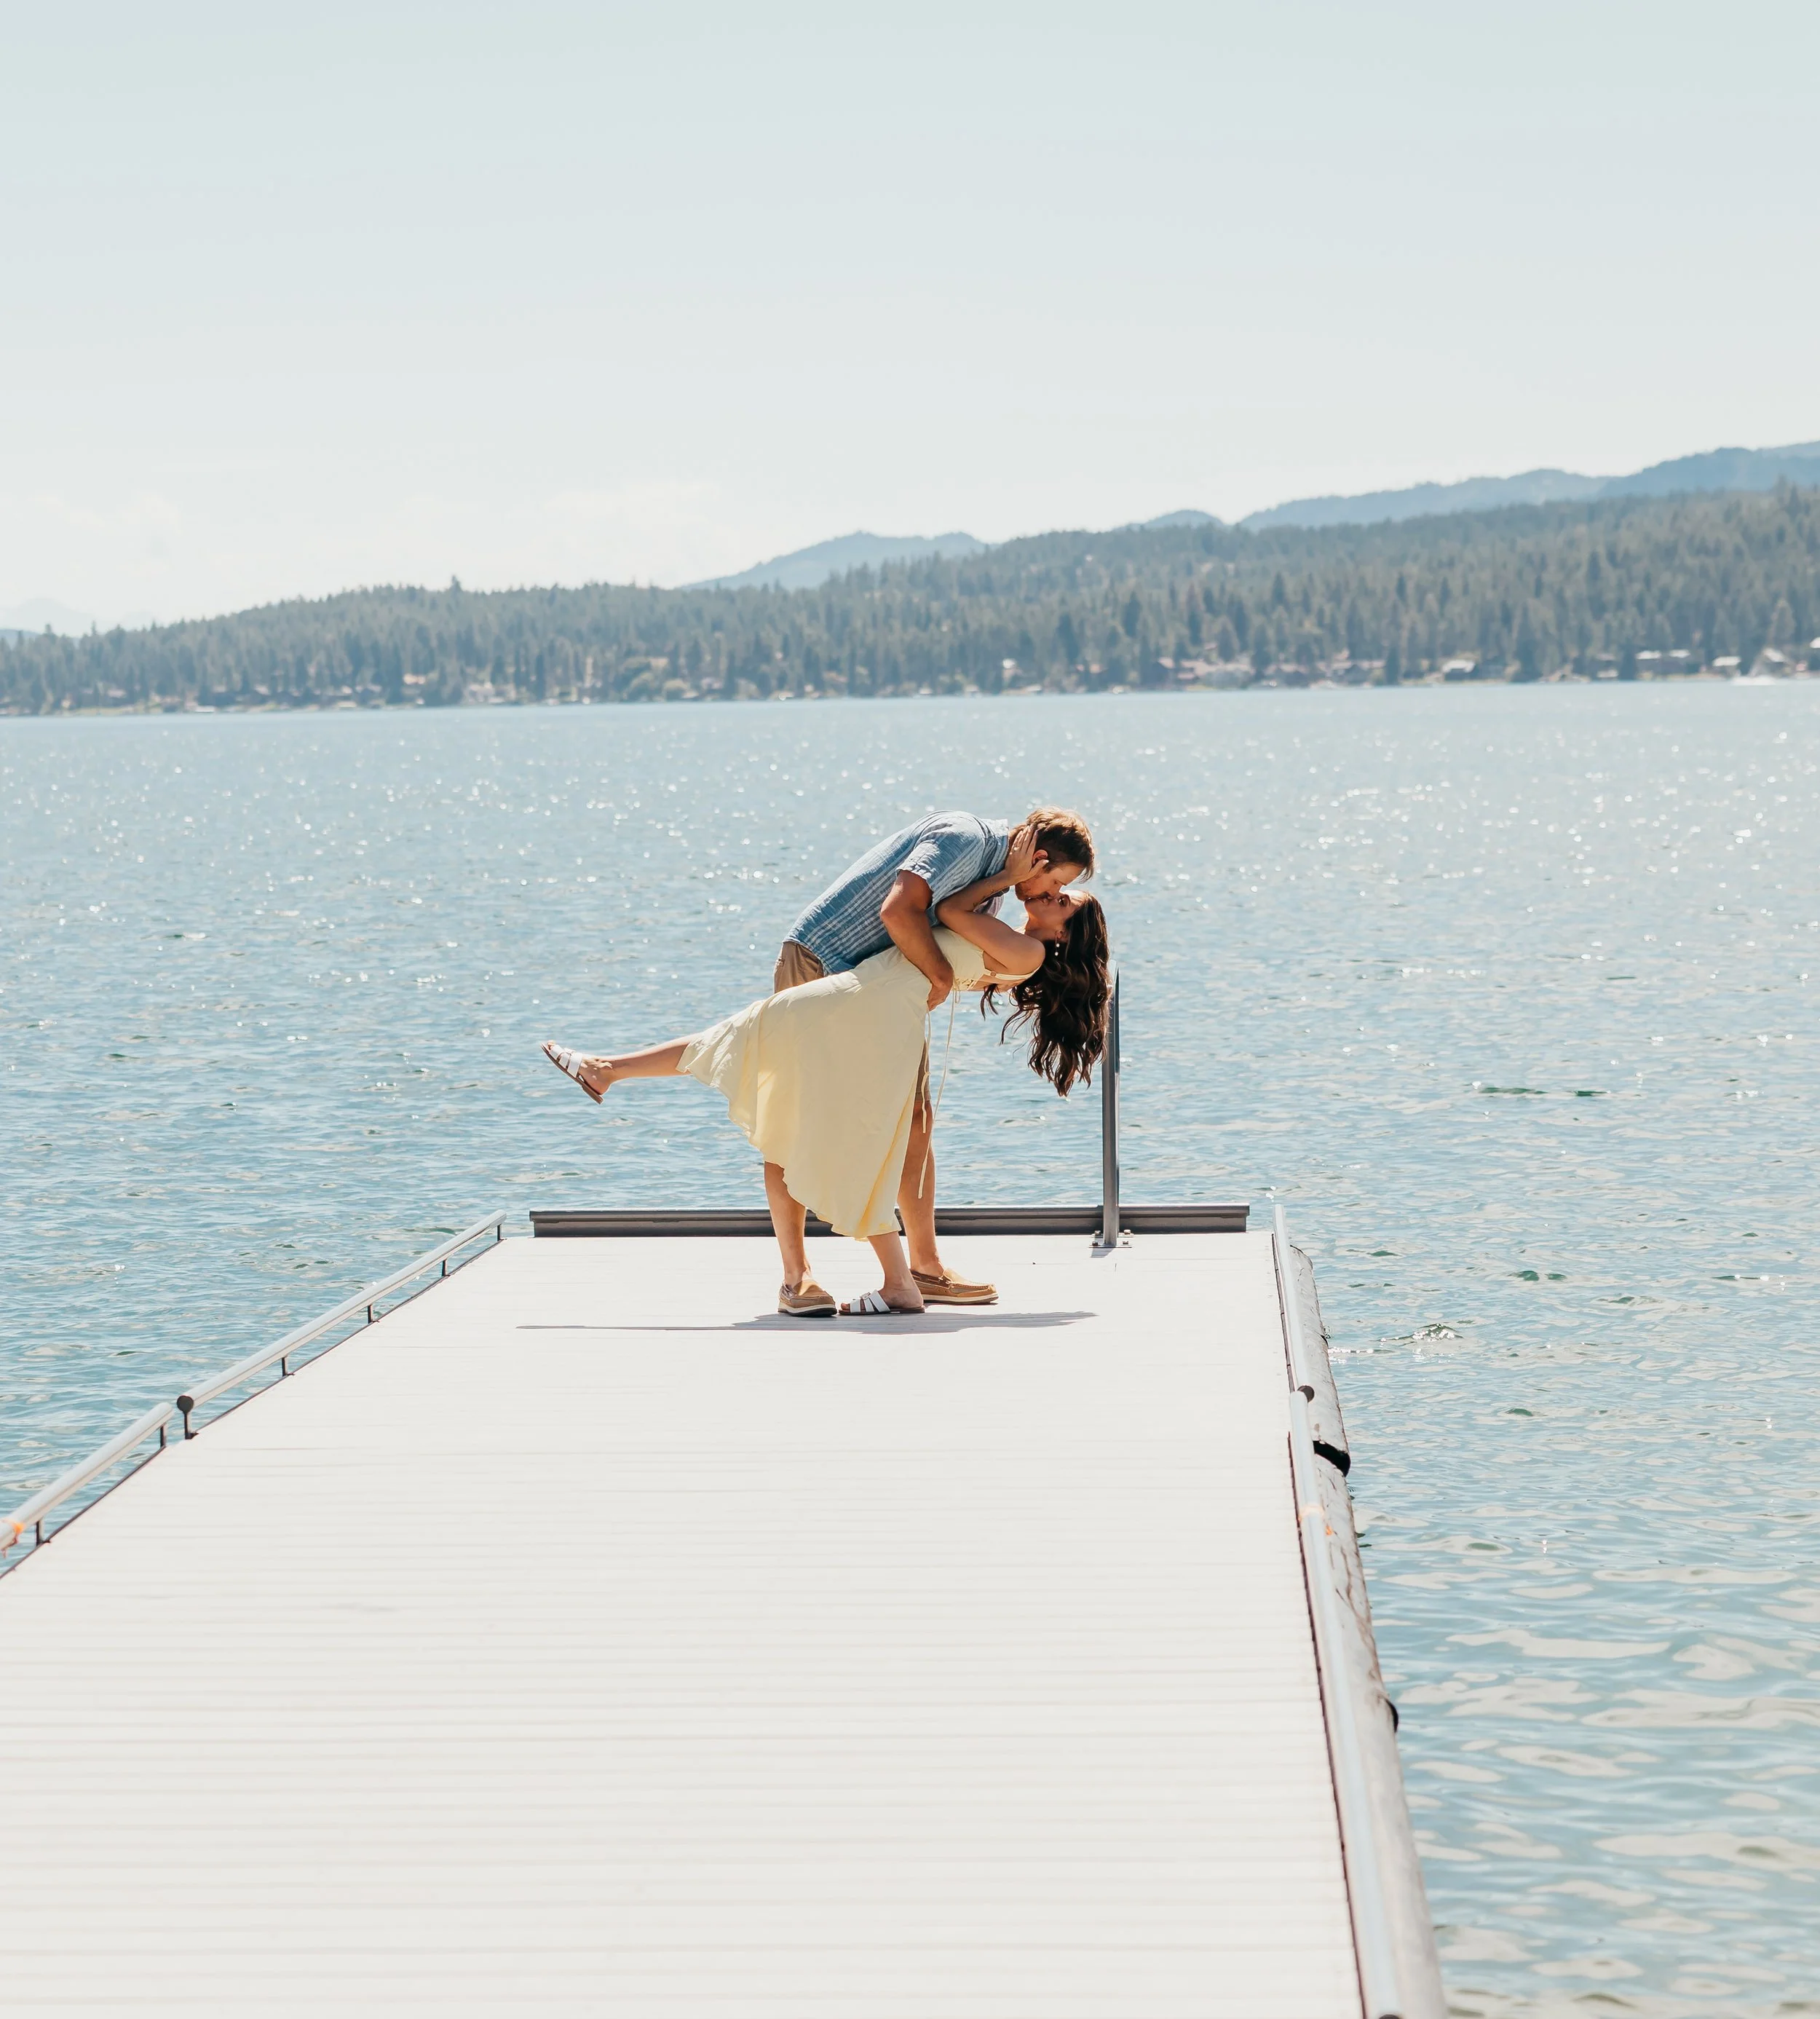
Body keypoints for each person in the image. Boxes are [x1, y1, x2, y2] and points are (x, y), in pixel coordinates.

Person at [541, 844, 1110, 1317]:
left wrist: (1004, 877)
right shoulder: (1019, 947)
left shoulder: (1029, 951)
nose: (1051, 895)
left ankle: (609, 1069)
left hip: (867, 1004)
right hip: (875, 1006)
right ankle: (900, 1280)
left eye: (1062, 901)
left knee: (755, 1037)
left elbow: (956, 913)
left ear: (1065, 936)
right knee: (799, 1079)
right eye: (1058, 889)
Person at [769, 807, 1096, 1307]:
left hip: (879, 994)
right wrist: (942, 978)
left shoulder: (991, 886)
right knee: (797, 1123)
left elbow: (949, 941)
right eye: (1055, 880)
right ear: (1041, 857)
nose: (1050, 892)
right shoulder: (964, 840)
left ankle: (925, 1267)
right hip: (822, 964)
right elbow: (897, 912)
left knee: (915, 1120)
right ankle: (797, 1278)